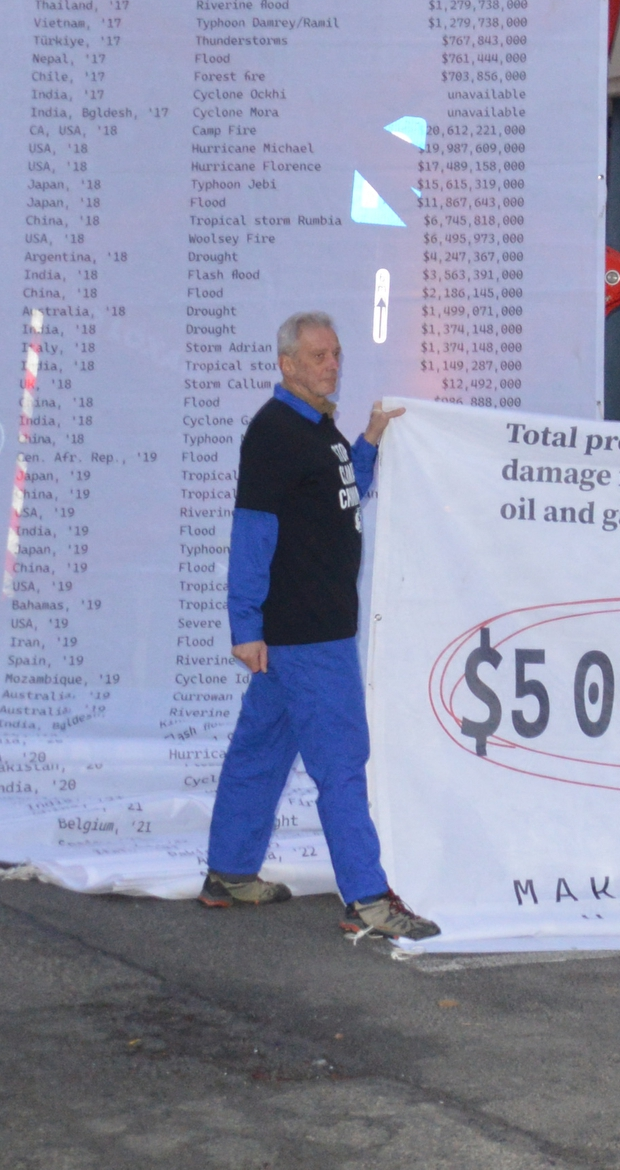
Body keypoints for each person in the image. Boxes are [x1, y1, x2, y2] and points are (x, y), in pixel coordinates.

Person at [198, 310, 439, 942]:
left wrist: (370, 440)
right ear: (287, 365)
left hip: (306, 633)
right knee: (341, 763)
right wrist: (243, 624)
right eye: (317, 357)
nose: (331, 365)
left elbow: (342, 496)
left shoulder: (320, 430)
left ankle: (228, 872)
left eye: (335, 354)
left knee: (261, 748)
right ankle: (367, 898)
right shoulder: (274, 433)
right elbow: (252, 533)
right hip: (307, 637)